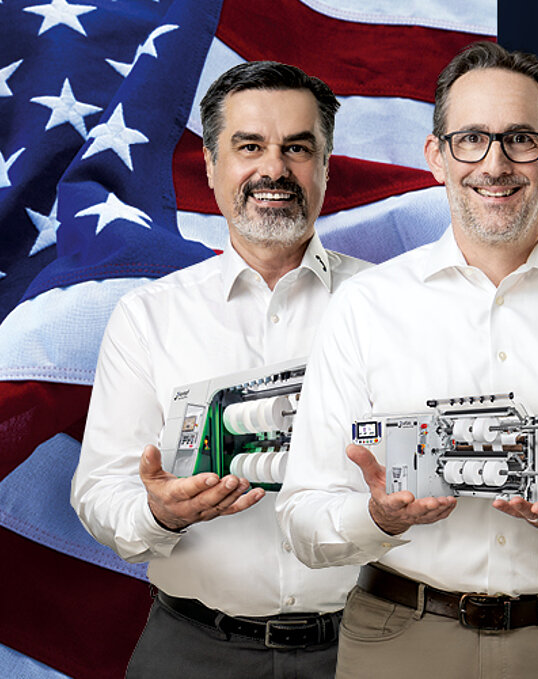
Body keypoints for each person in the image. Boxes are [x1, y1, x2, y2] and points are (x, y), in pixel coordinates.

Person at [274, 42, 538, 678]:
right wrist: (378, 518)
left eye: (521, 139)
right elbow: (302, 519)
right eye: (470, 139)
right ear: (436, 155)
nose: (495, 164)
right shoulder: (365, 306)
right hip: (397, 640)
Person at [72, 61, 369, 678]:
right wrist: (160, 514)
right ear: (211, 166)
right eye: (250, 147)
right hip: (193, 649)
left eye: (297, 148)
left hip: (368, 645)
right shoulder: (149, 317)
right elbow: (100, 490)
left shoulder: (391, 306)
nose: (274, 170)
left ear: (326, 166)